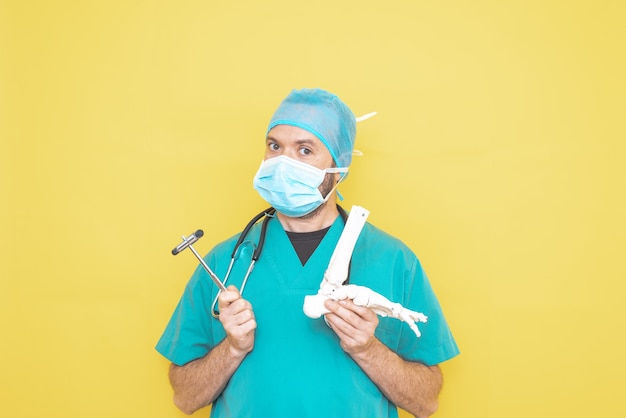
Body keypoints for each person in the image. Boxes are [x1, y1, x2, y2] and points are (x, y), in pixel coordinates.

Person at [156, 88, 460, 418]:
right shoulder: (225, 261)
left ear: (339, 166)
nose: (284, 163)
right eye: (275, 146)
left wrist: (367, 348)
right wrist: (232, 348)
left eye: (305, 150)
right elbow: (184, 398)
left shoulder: (393, 260)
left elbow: (426, 402)